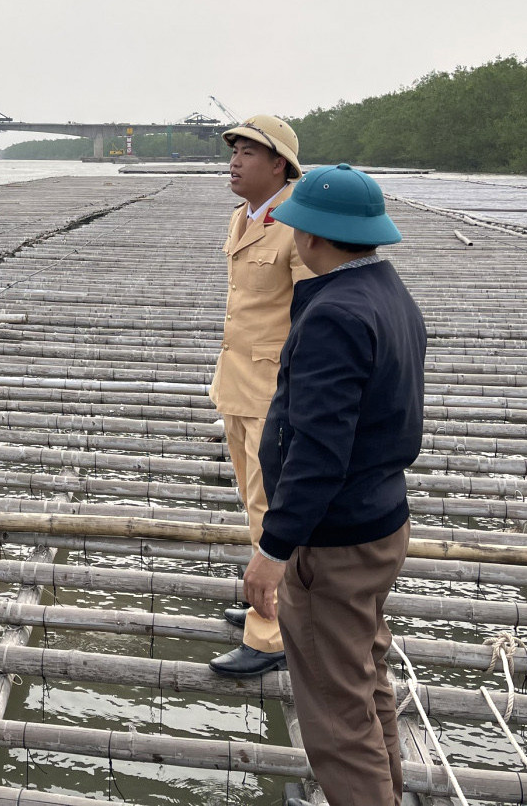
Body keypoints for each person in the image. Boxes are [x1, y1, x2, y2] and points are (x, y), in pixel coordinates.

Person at [242, 164, 426, 805]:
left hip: (338, 540)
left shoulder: (334, 316)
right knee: (365, 678)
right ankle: (387, 793)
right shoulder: (389, 293)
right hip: (382, 523)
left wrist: (274, 547)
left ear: (314, 238)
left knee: (334, 710)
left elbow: (318, 451)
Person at [206, 114, 312, 678]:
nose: (235, 160)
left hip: (274, 395)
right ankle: (267, 603)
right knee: (254, 506)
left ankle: (270, 634)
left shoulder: (298, 225)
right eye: (234, 151)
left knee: (271, 514)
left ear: (280, 165)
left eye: (249, 152)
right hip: (237, 387)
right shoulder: (243, 217)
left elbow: (312, 315)